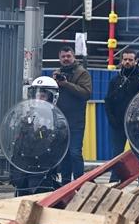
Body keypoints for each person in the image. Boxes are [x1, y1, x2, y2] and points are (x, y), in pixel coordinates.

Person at [9, 76, 63, 196]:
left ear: (52, 97)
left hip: (41, 169)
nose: (39, 99)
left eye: (43, 96)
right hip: (23, 169)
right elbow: (18, 143)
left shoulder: (56, 120)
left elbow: (54, 145)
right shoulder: (28, 115)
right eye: (37, 95)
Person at [103, 49, 139, 177]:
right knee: (116, 155)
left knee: (138, 152)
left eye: (130, 60)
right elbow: (108, 101)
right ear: (121, 61)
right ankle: (114, 179)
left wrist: (137, 119)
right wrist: (111, 119)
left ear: (136, 61)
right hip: (117, 124)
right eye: (125, 59)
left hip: (135, 124)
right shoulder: (115, 81)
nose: (127, 62)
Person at [53, 44, 91, 183]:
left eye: (68, 56)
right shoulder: (57, 73)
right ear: (59, 58)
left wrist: (66, 84)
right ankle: (65, 183)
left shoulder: (82, 73)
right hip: (60, 120)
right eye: (63, 56)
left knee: (75, 152)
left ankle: (80, 183)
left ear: (74, 57)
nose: (66, 59)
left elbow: (86, 93)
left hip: (76, 121)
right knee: (64, 154)